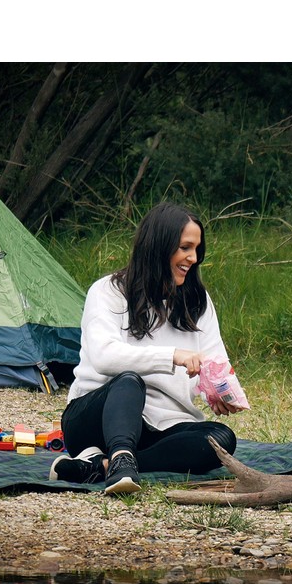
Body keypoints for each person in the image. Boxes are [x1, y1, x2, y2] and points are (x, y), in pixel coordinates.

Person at [50, 202, 243, 495]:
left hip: (161, 427)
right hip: (95, 419)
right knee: (130, 381)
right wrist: (173, 356)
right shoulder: (107, 291)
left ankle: (102, 466)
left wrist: (219, 391)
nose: (193, 258)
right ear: (159, 247)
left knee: (221, 439)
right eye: (185, 248)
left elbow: (215, 362)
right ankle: (120, 458)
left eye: (196, 249)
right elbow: (104, 357)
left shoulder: (198, 301)